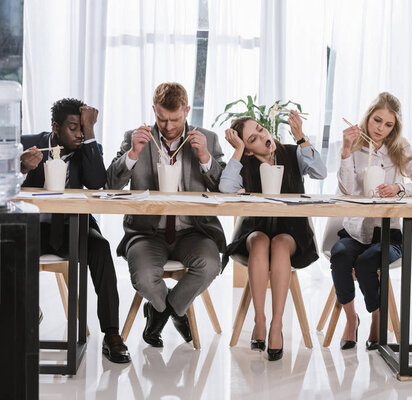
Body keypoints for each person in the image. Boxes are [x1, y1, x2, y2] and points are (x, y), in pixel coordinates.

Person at [106, 82, 226, 348]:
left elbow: (224, 188)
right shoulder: (135, 137)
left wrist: (205, 156)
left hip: (194, 231)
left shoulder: (207, 137)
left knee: (210, 265)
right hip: (147, 232)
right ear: (153, 111)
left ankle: (161, 310)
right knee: (145, 279)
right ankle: (176, 310)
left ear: (186, 110)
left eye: (175, 119)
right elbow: (111, 186)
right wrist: (133, 154)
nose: (169, 126)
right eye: (161, 119)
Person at [20, 98, 130, 363]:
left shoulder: (88, 149)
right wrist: (22, 167)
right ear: (55, 127)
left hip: (73, 227)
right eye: (73, 128)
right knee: (8, 246)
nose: (80, 134)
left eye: (84, 127)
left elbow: (95, 184)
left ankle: (112, 334)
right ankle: (25, 311)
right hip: (36, 229)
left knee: (101, 247)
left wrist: (90, 131)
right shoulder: (29, 144)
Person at [219, 110, 326, 360]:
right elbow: (225, 189)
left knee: (278, 244)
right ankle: (259, 319)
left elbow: (320, 172)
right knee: (260, 241)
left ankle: (276, 324)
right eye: (252, 139)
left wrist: (301, 137)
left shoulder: (291, 152)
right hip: (255, 229)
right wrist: (237, 151)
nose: (262, 135)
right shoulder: (244, 163)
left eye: (260, 128)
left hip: (292, 234)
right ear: (247, 149)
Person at [331, 92, 412, 350]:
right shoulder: (353, 146)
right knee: (340, 256)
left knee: (366, 263)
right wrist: (344, 150)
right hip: (355, 231)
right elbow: (345, 189)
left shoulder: (399, 148)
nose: (381, 129)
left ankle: (377, 318)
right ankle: (351, 319)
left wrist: (400, 188)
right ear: (368, 116)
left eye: (389, 125)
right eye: (377, 120)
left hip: (389, 235)